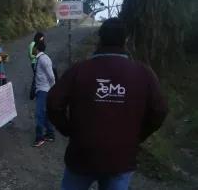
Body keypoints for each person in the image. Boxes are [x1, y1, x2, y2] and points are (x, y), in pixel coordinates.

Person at [46, 17, 169, 190]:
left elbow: (53, 102)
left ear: (100, 38)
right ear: (126, 40)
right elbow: (160, 109)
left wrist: (68, 129)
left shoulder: (79, 70)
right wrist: (138, 136)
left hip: (82, 155)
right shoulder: (143, 73)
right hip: (121, 158)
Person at [31, 40, 55, 147]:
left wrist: (53, 90)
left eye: (33, 46)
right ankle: (50, 134)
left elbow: (51, 76)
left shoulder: (44, 59)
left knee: (39, 114)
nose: (31, 48)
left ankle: (39, 138)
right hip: (41, 89)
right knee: (44, 114)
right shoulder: (39, 59)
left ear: (36, 48)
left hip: (44, 90)